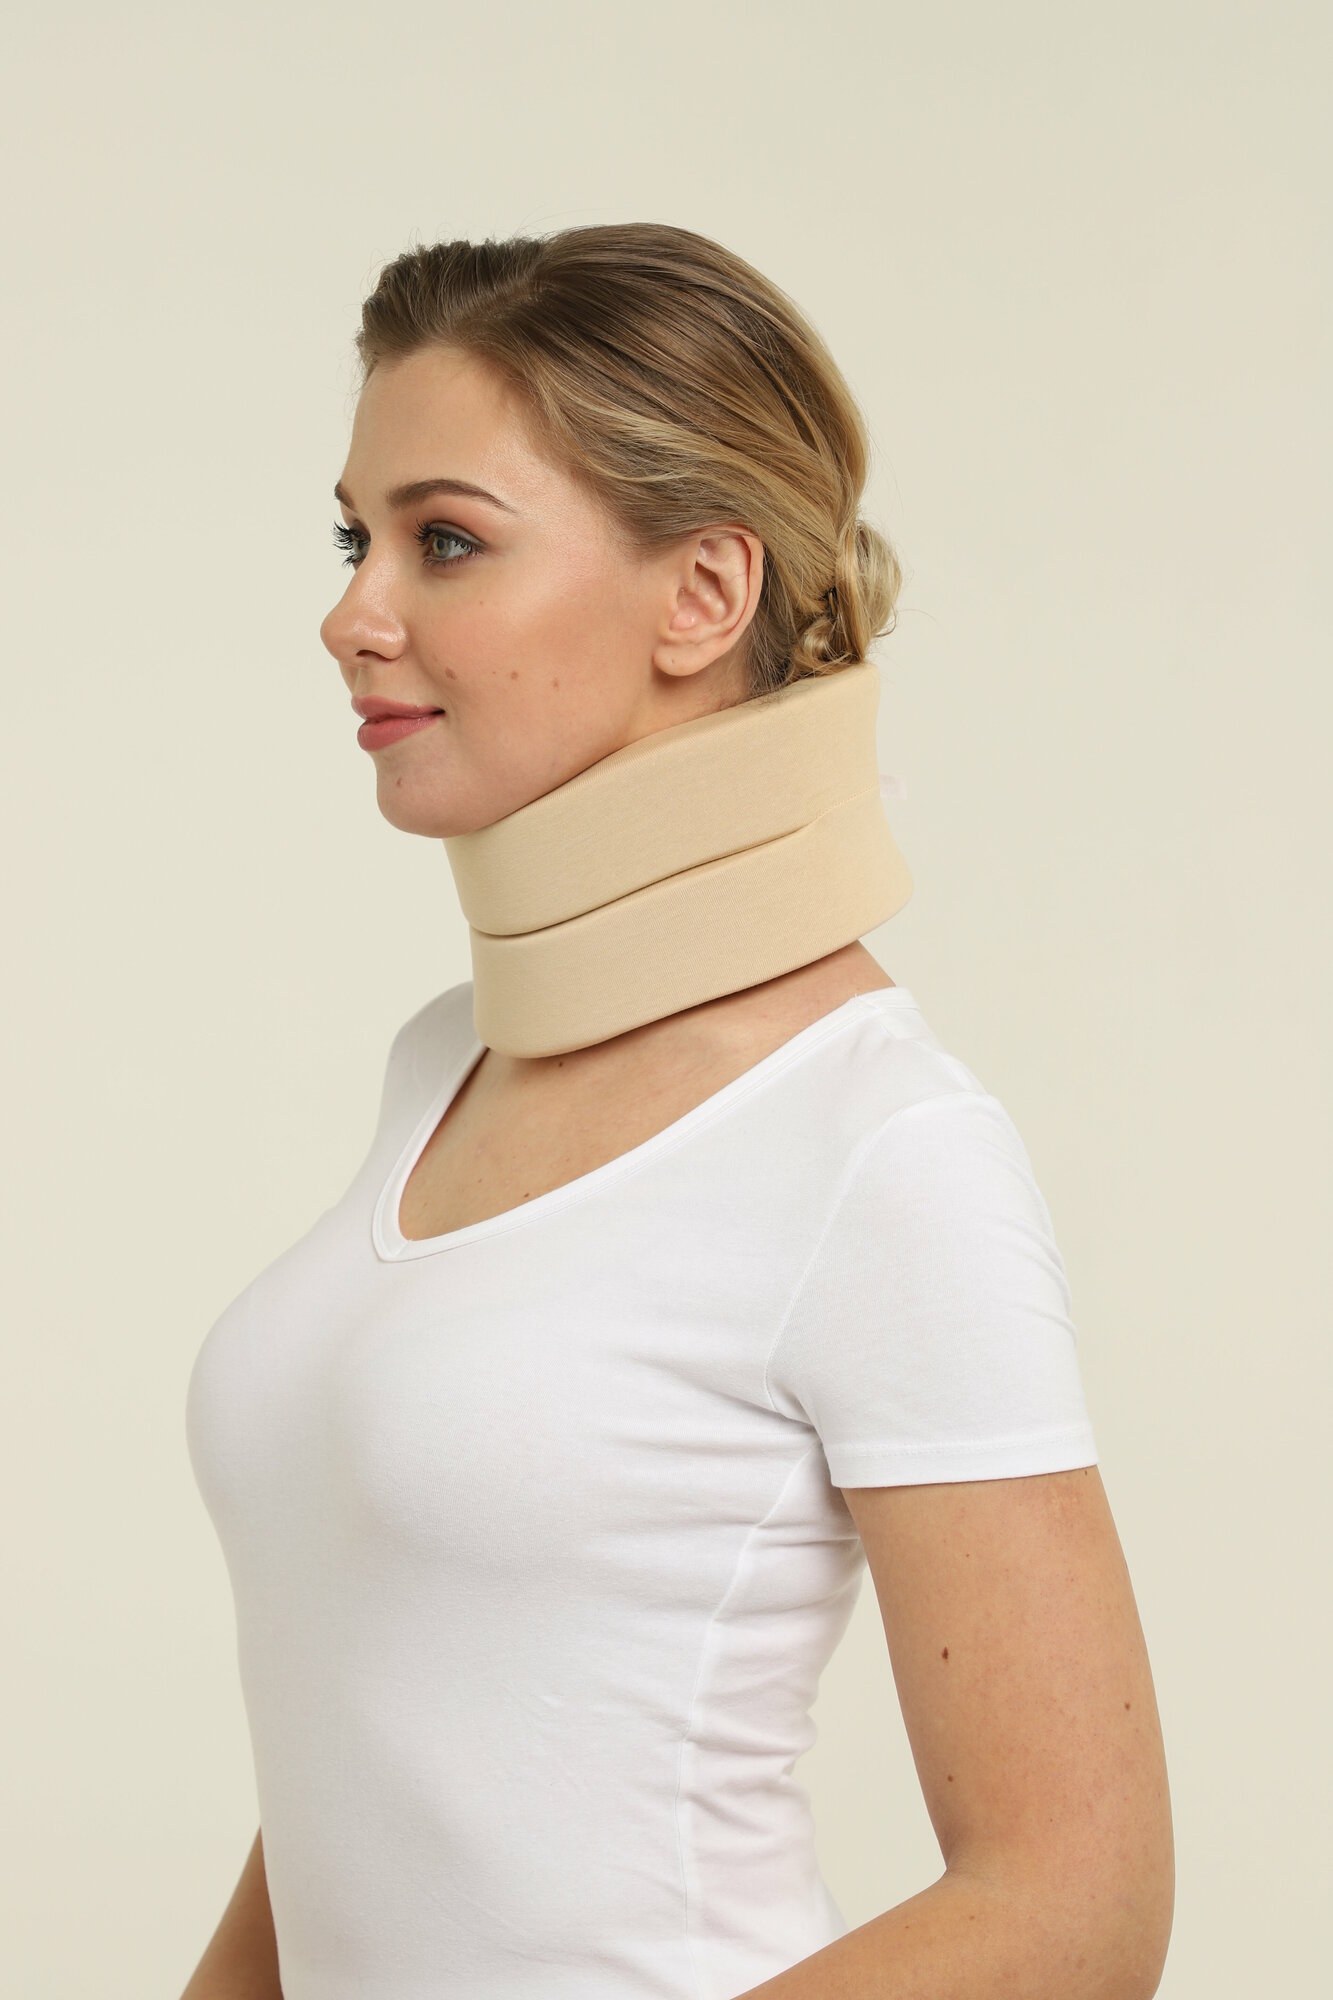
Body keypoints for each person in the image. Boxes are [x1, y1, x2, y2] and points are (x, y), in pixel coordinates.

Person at [180, 223, 1173, 2000]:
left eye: (444, 540)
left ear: (701, 595)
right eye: (355, 539)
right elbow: (381, 1750)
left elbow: (1072, 1906)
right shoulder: (443, 1065)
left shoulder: (877, 1147)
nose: (353, 614)